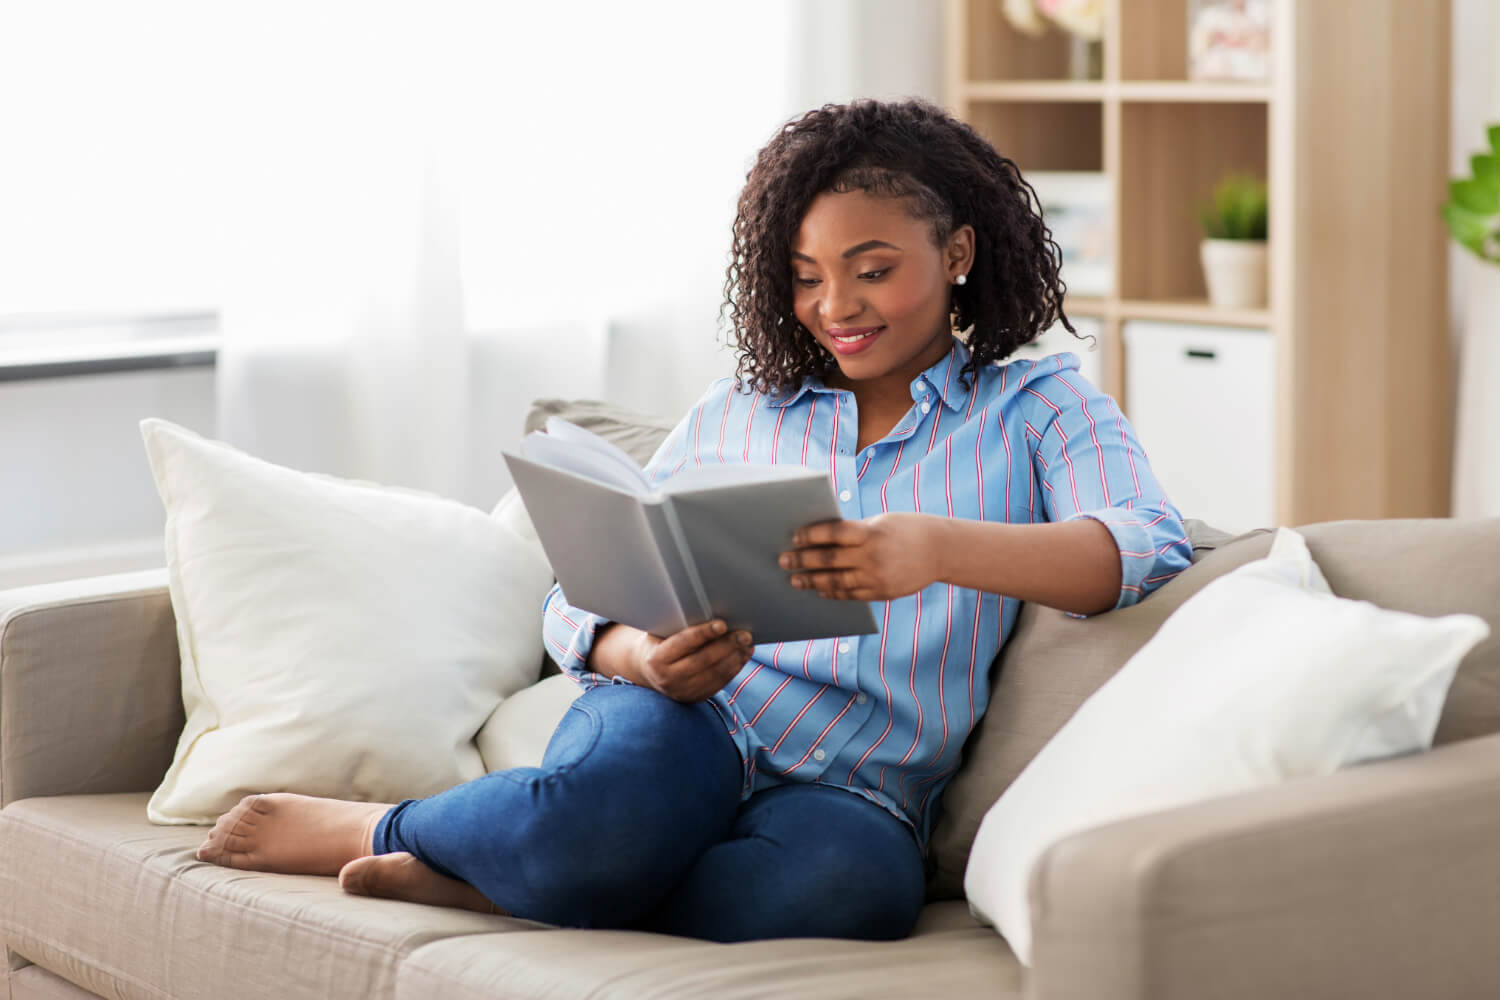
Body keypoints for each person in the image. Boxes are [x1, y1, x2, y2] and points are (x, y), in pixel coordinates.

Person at [195, 98, 1191, 943]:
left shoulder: (1040, 408)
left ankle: (490, 876)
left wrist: (935, 548)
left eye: (873, 267)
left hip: (854, 787)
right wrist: (633, 652)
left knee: (853, 891)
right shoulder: (740, 412)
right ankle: (385, 830)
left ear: (959, 251)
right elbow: (575, 598)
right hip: (688, 719)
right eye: (806, 274)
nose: (834, 303)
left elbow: (1144, 548)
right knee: (606, 812)